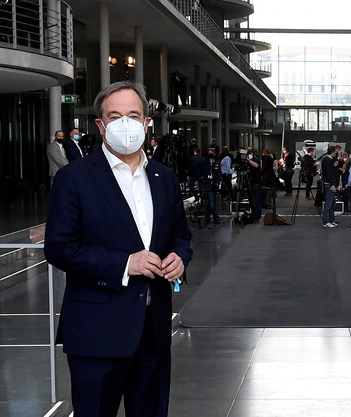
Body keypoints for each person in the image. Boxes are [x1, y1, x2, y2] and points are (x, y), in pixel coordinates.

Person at [44, 81, 192, 417]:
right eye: (115, 116)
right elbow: (59, 248)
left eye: (133, 115)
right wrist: (126, 264)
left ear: (146, 123)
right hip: (96, 333)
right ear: (100, 125)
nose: (125, 123)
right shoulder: (74, 178)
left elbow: (181, 236)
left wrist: (179, 258)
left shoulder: (163, 177)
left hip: (152, 333)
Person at [188, 145, 220, 227]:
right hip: (207, 184)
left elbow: (217, 172)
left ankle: (207, 218)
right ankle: (216, 218)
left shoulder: (216, 162)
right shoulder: (204, 161)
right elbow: (195, 167)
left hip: (213, 185)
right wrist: (201, 177)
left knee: (211, 203)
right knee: (211, 202)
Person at [320, 145, 340, 228]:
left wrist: (334, 166)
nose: (336, 153)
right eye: (335, 151)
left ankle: (331, 220)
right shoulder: (328, 160)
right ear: (333, 152)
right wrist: (332, 185)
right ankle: (326, 221)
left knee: (332, 203)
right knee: (328, 203)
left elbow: (329, 171)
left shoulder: (326, 159)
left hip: (329, 183)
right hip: (329, 184)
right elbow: (329, 173)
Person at [245, 148, 263, 222]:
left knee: (256, 200)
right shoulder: (246, 161)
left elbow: (256, 166)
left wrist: (249, 160)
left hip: (256, 182)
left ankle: (257, 216)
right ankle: (253, 214)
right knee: (251, 200)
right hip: (249, 182)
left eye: (250, 154)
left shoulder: (255, 159)